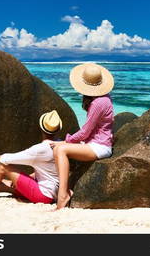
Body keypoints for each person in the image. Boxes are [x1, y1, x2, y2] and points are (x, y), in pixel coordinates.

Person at [51, 63, 114, 209]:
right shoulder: (104, 98)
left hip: (100, 147)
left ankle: (63, 195)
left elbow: (85, 132)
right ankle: (62, 190)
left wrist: (67, 141)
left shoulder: (98, 103)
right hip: (94, 143)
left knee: (60, 149)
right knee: (58, 147)